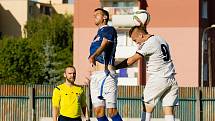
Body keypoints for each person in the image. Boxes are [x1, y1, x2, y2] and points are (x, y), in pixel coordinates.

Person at [115, 25, 179, 121]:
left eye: (135, 40)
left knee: (147, 105)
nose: (136, 43)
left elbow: (131, 60)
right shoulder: (160, 38)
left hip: (158, 78)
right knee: (168, 109)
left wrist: (114, 67)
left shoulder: (149, 43)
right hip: (171, 78)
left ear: (141, 35)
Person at [88, 8, 123, 121]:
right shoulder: (97, 34)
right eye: (94, 15)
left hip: (106, 74)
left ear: (105, 17)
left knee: (112, 111)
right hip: (96, 76)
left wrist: (93, 56)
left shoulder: (109, 29)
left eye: (97, 14)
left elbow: (105, 44)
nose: (95, 17)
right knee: (98, 112)